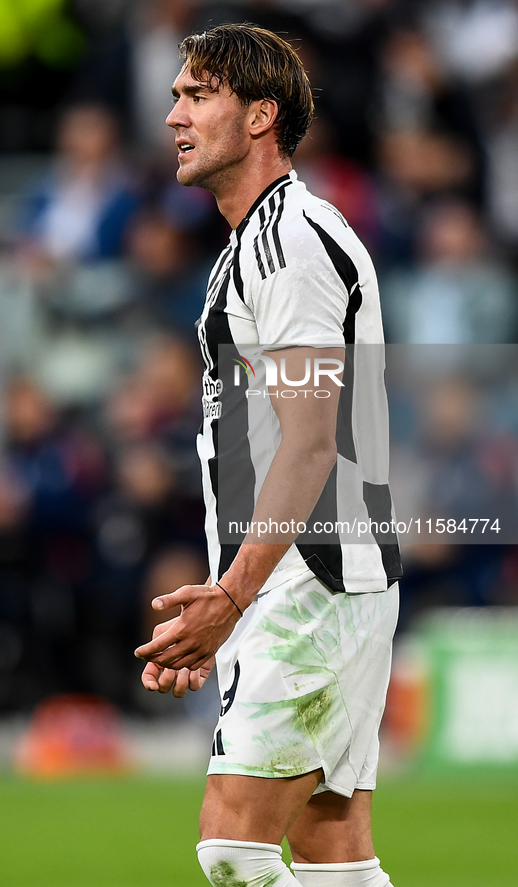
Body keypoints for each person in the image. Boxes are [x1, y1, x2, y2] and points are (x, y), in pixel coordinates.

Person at [135, 24, 401, 887]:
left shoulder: (288, 243)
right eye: (175, 93)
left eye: (195, 93)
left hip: (310, 574)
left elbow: (311, 439)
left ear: (260, 115)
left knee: (232, 849)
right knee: (332, 852)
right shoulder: (249, 246)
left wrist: (230, 596)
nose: (173, 112)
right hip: (306, 573)